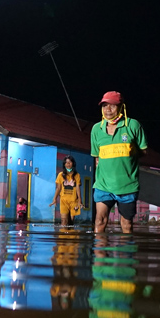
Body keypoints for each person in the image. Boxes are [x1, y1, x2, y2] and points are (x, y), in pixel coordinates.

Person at [91, 92, 147, 234]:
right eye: (104, 105)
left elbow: (143, 151)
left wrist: (127, 156)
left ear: (121, 107)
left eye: (112, 105)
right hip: (103, 185)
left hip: (127, 186)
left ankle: (125, 254)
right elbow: (96, 157)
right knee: (99, 221)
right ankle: (99, 254)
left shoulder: (133, 125)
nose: (108, 109)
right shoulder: (96, 129)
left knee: (126, 224)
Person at [50, 155, 83, 226]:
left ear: (73, 163)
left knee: (71, 222)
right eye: (66, 162)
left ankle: (71, 236)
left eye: (70, 162)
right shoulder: (60, 175)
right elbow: (58, 188)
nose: (68, 164)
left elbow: (78, 188)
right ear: (64, 164)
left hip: (74, 201)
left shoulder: (77, 175)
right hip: (63, 201)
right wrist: (54, 199)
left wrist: (80, 200)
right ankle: (63, 236)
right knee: (64, 221)